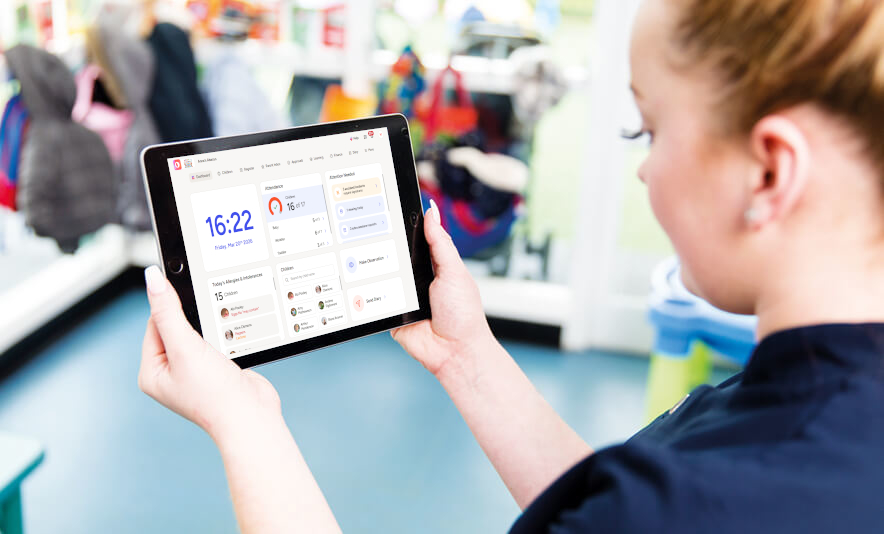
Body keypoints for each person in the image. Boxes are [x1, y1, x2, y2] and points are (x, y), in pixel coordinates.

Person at [137, 1, 884, 532]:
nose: (645, 172)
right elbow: (603, 507)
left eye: (646, 129)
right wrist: (468, 356)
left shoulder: (714, 498)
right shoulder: (816, 405)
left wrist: (245, 421)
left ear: (770, 173)